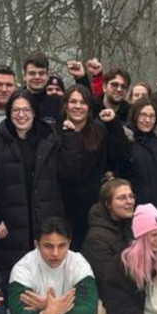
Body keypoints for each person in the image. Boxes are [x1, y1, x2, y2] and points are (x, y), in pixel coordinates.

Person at [0, 92, 64, 276]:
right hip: (8, 226)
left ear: (35, 112)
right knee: (14, 276)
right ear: (9, 113)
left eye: (26, 110)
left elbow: (66, 177)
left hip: (44, 221)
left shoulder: (50, 140)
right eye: (15, 110)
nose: (21, 115)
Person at [56, 84, 131, 250]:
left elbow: (123, 156)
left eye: (83, 102)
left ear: (89, 107)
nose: (78, 106)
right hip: (64, 207)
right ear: (65, 105)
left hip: (94, 209)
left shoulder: (99, 130)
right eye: (73, 102)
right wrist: (69, 136)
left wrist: (114, 124)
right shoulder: (55, 132)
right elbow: (69, 171)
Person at [125, 98, 157, 224]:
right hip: (138, 209)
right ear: (135, 116)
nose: (147, 120)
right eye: (143, 115)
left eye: (152, 116)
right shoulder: (127, 143)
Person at [83, 178, 138, 286]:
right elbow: (107, 278)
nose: (129, 201)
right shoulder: (96, 238)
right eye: (122, 198)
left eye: (131, 196)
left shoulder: (132, 225)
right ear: (108, 204)